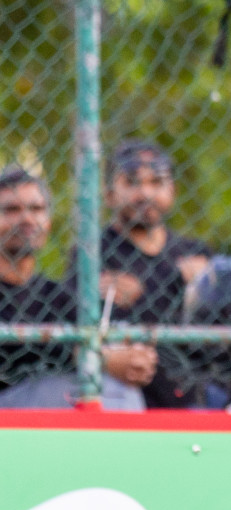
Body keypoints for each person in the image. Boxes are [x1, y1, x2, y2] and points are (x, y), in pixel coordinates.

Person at [0, 167, 151, 410]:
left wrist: (133, 356)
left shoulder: (53, 294)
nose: (27, 219)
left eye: (36, 209)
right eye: (11, 210)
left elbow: (96, 339)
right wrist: (99, 358)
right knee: (108, 388)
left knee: (119, 382)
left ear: (48, 222)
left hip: (41, 408)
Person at [91, 140, 213, 407]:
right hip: (129, 396)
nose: (145, 193)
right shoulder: (92, 254)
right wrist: (176, 281)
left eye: (156, 182)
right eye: (132, 182)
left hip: (198, 391)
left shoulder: (195, 251)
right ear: (109, 193)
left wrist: (142, 289)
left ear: (173, 190)